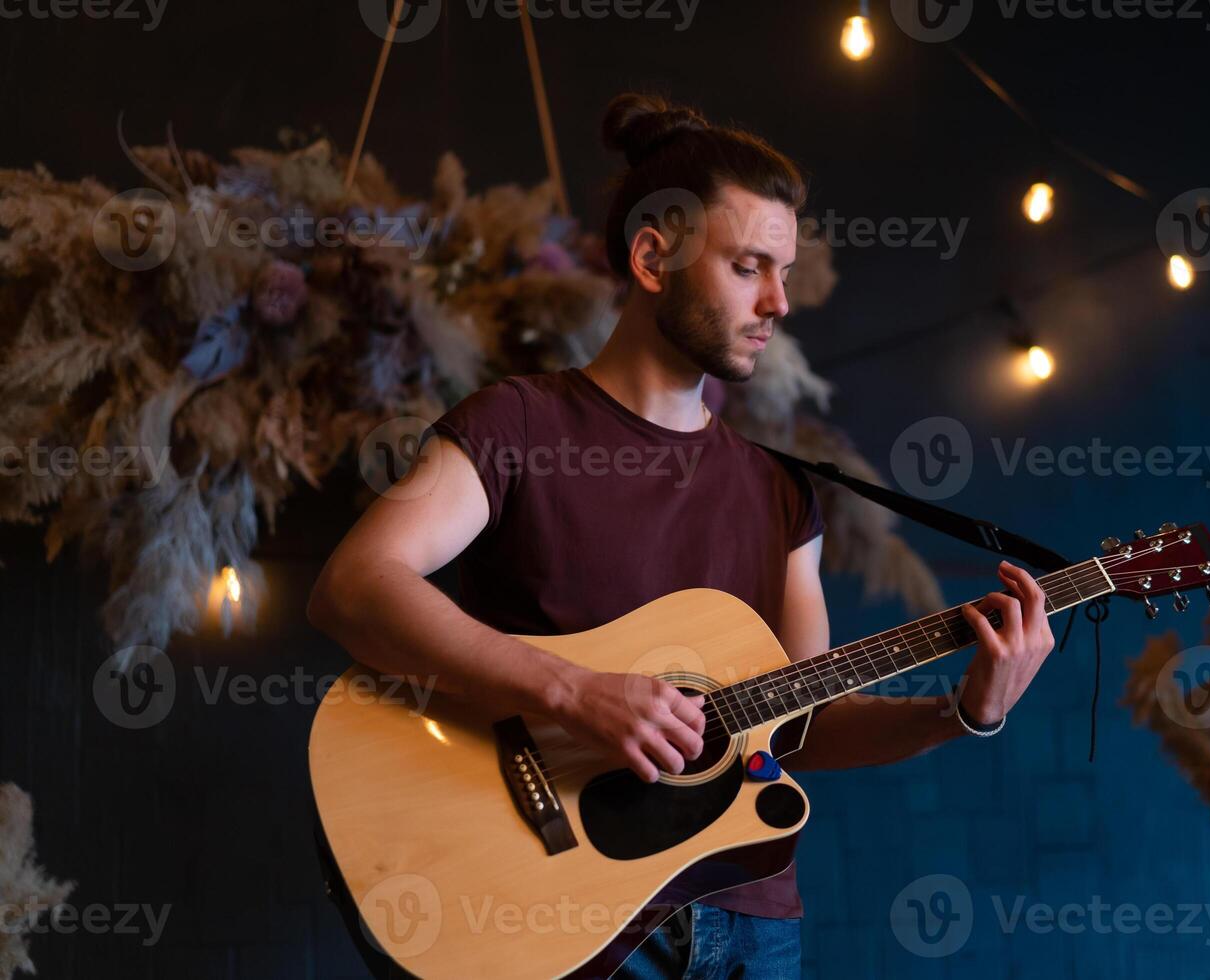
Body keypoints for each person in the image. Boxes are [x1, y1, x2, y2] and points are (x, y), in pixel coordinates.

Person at [307, 92, 1056, 979]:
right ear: (654, 257)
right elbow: (356, 585)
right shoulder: (516, 425)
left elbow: (801, 729)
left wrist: (964, 713)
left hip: (753, 929)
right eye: (749, 267)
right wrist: (573, 693)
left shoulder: (782, 493)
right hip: (559, 916)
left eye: (783, 270)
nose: (779, 302)